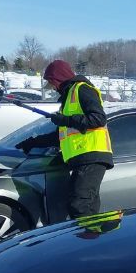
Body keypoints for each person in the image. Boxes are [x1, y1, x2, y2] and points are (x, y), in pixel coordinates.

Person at [16, 60, 113, 218]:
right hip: (82, 159)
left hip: (92, 155)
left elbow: (98, 119)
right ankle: (92, 238)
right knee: (86, 206)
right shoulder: (68, 99)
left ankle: (85, 241)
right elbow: (60, 136)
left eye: (52, 83)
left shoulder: (82, 90)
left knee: (80, 205)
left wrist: (66, 120)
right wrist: (32, 142)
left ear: (59, 79)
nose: (53, 88)